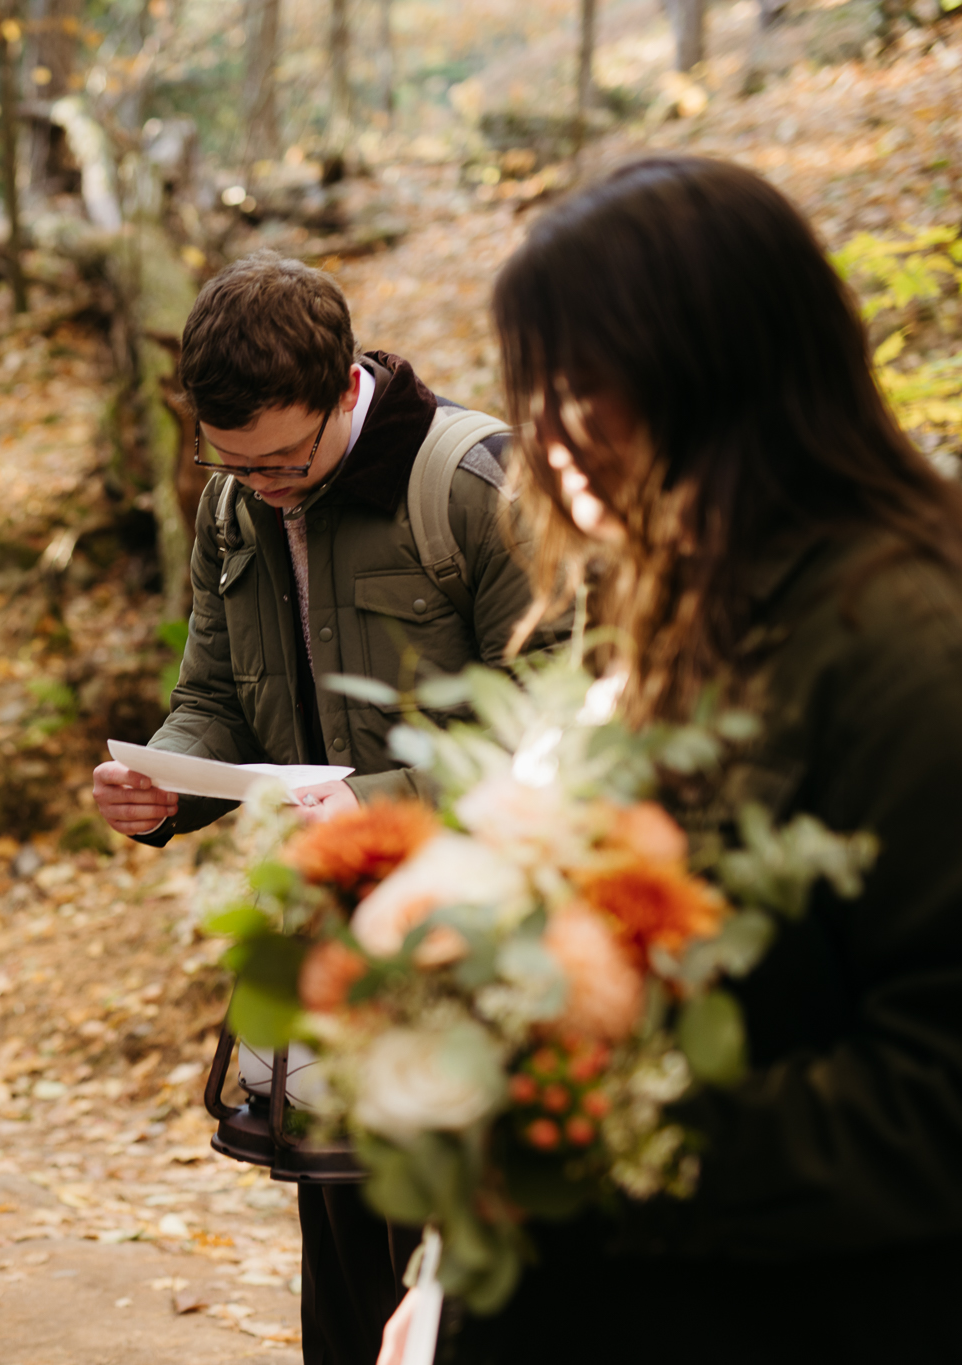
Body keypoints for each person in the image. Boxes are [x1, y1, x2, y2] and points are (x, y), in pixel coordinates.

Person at [389, 155, 962, 1362]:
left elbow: (934, 1089)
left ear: (721, 369)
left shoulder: (906, 641)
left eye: (582, 387)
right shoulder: (677, 605)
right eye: (529, 389)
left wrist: (600, 1138)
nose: (543, 440)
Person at [91, 252, 554, 1365]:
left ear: (341, 384)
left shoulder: (477, 487)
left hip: (481, 955)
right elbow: (213, 700)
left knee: (463, 1286)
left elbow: (554, 732)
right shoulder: (233, 505)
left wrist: (370, 806)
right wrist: (162, 779)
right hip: (322, 956)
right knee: (344, 1272)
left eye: (283, 459)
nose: (261, 484)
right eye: (230, 461)